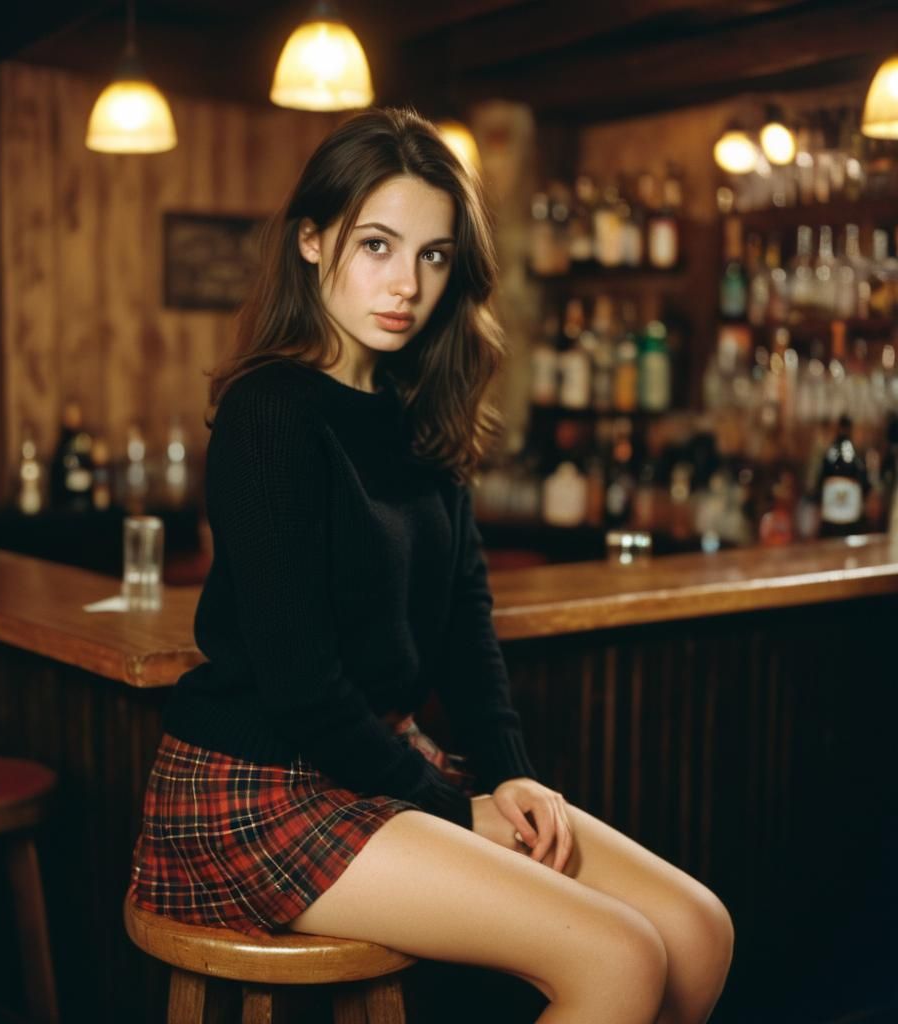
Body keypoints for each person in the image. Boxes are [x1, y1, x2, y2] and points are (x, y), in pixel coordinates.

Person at [130, 107, 733, 1024]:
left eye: (434, 255)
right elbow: (299, 682)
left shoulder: (420, 404)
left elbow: (464, 619)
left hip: (377, 764)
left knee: (696, 932)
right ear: (311, 238)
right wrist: (454, 807)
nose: (405, 284)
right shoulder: (272, 412)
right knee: (620, 958)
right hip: (257, 786)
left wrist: (508, 771)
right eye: (376, 244)